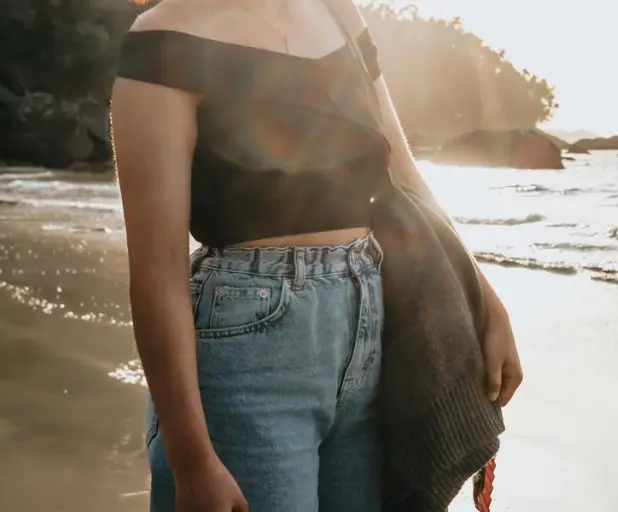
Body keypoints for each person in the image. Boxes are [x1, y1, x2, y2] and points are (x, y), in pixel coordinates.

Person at [110, 0, 523, 510]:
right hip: (246, 355)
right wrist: (190, 458)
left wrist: (486, 301)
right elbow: (156, 270)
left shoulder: (337, 13)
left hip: (373, 334)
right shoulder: (164, 37)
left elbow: (405, 176)